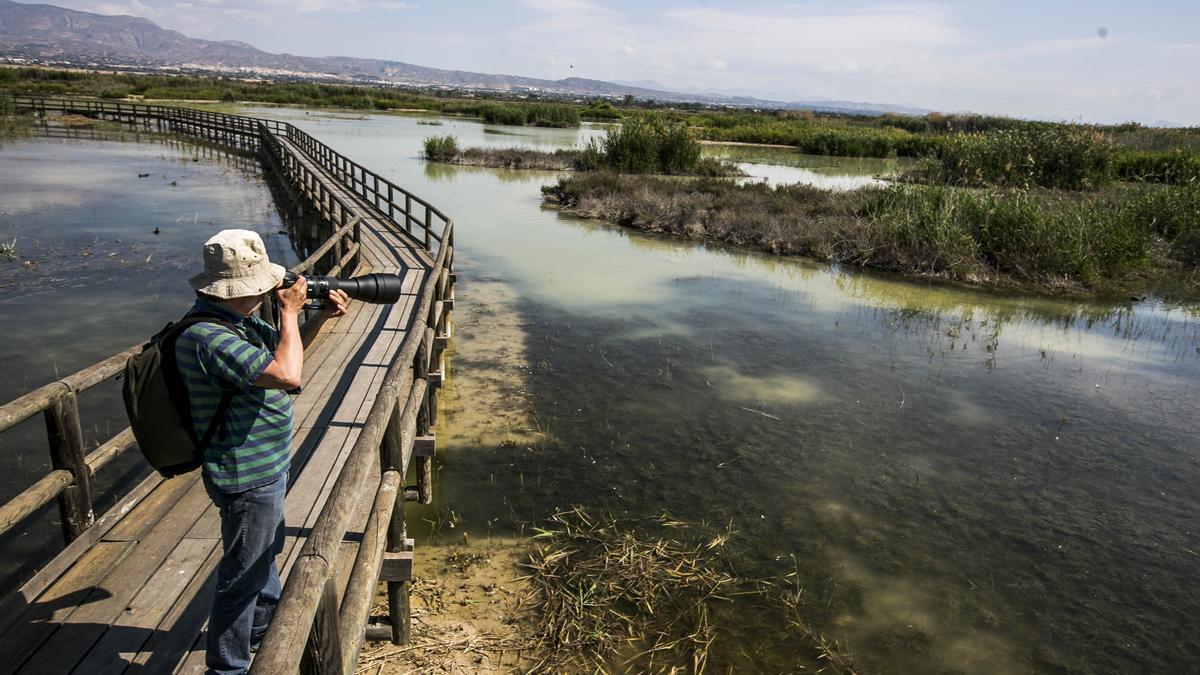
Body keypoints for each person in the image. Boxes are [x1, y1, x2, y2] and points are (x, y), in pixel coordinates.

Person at [179, 229, 350, 675]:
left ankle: (261, 629)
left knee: (264, 553)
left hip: (267, 465)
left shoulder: (239, 318)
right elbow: (289, 376)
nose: (268, 291)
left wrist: (317, 319)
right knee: (242, 577)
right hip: (245, 473)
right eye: (259, 286)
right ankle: (228, 668)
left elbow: (280, 364)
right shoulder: (208, 336)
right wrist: (290, 312)